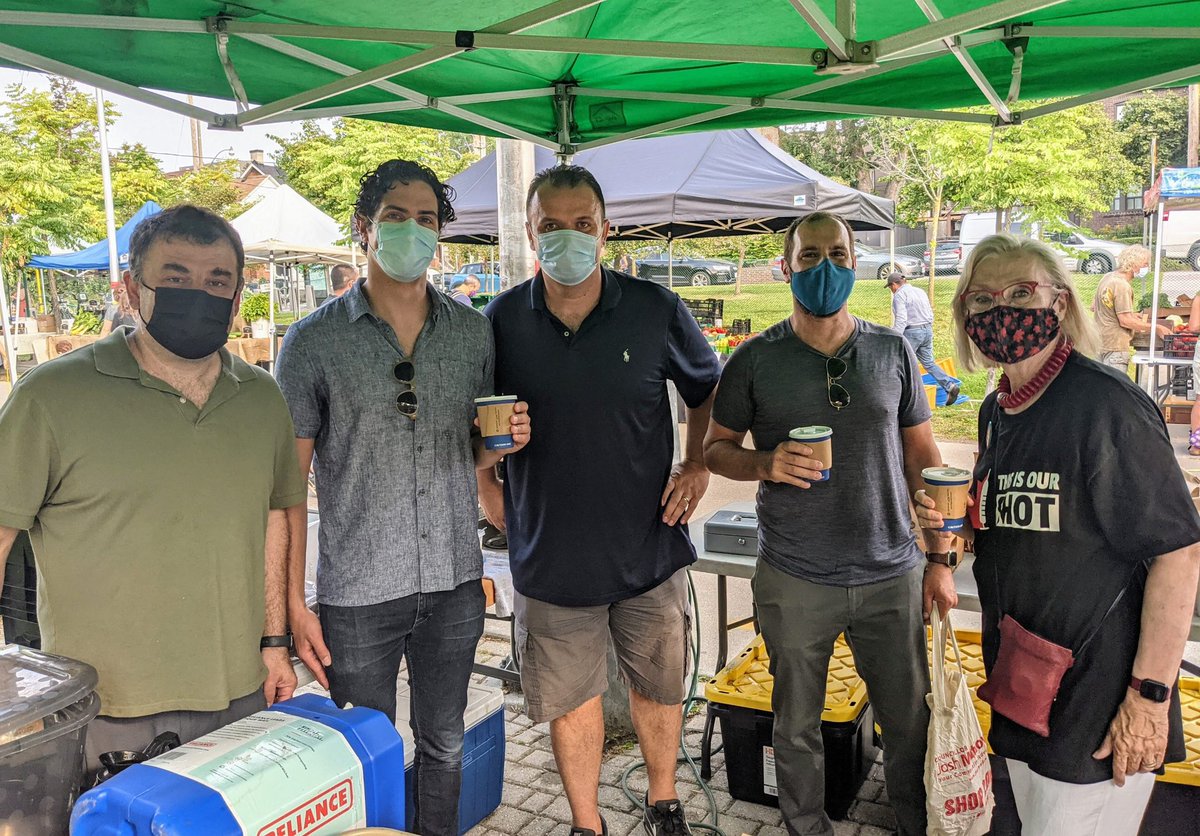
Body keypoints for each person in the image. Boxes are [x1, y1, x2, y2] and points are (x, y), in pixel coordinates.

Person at [0, 204, 305, 777]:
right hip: (104, 707)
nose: (200, 294)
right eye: (175, 278)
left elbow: (272, 522)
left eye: (218, 281)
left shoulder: (263, 397)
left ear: (239, 296)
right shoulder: (51, 396)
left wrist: (274, 643)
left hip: (239, 692)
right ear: (130, 289)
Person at [274, 159, 529, 836]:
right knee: (367, 752)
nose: (412, 230)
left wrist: (502, 445)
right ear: (364, 228)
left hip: (451, 580)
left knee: (444, 746)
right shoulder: (313, 341)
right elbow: (285, 486)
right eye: (396, 216)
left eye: (426, 219)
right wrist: (293, 602)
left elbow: (474, 453)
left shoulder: (473, 333)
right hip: (358, 590)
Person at [916, 233, 1200, 835]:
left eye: (1022, 292)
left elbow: (1178, 551)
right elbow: (1023, 523)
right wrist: (958, 531)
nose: (1001, 312)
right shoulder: (1000, 409)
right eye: (982, 300)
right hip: (1027, 682)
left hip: (1098, 699)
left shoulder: (1106, 407)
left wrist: (1149, 699)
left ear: (1062, 304)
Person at [481, 165, 720, 836]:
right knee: (570, 699)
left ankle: (665, 799)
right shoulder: (497, 322)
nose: (567, 239)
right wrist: (485, 487)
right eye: (551, 227)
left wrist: (697, 462)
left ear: (606, 230)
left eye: (582, 225)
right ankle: (588, 824)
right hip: (550, 557)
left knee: (658, 685)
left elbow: (708, 391)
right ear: (530, 233)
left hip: (647, 546)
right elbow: (470, 422)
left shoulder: (655, 309)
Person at [704, 211, 957, 836]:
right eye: (810, 255)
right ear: (786, 266)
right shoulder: (756, 359)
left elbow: (924, 460)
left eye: (838, 255)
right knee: (796, 726)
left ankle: (914, 822)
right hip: (796, 575)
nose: (826, 268)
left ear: (856, 262)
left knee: (908, 722)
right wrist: (764, 462)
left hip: (891, 572)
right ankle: (806, 826)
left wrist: (939, 559)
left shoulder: (892, 350)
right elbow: (714, 448)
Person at [1091, 244, 1169, 372]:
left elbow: (1095, 306)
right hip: (1115, 347)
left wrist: (1130, 313)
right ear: (1134, 264)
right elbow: (1125, 321)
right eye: (1145, 264)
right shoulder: (1122, 286)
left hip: (1100, 342)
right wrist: (1156, 328)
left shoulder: (1108, 277)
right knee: (1115, 390)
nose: (1147, 267)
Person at [886, 270, 960, 405]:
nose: (891, 290)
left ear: (894, 285)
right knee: (929, 363)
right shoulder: (920, 291)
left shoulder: (899, 295)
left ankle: (903, 396)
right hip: (927, 329)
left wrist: (894, 337)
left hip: (912, 332)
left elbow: (902, 320)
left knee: (901, 362)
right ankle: (950, 386)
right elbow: (929, 311)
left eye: (890, 287)